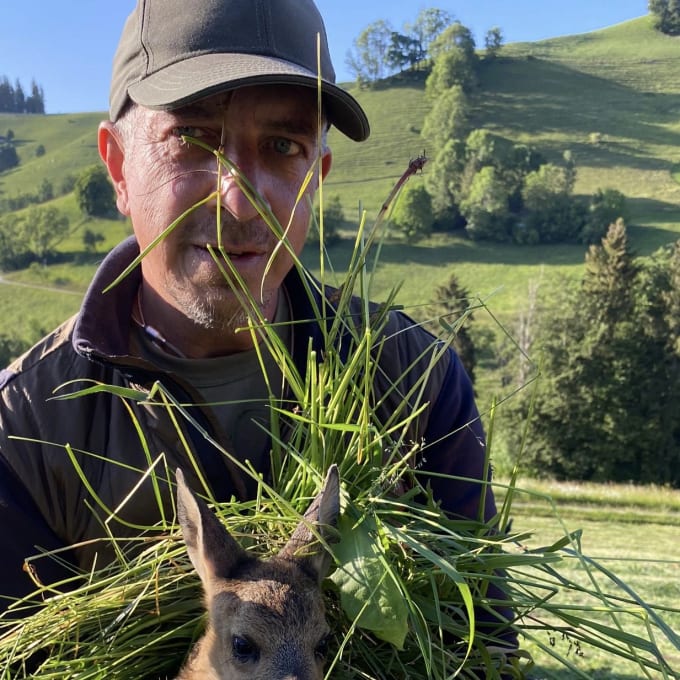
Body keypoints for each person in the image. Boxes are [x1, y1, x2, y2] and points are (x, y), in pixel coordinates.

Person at [0, 0, 513, 653]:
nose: (240, 199)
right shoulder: (25, 432)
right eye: (194, 139)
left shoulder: (414, 383)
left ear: (316, 178)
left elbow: (484, 654)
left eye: (282, 146)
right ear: (119, 166)